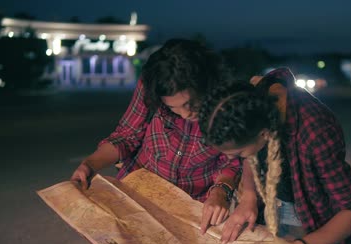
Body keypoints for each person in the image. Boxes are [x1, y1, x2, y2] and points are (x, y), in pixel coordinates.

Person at [198, 67, 351, 244]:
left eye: (237, 154)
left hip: (315, 219)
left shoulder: (315, 131)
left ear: (264, 134)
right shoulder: (254, 102)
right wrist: (249, 197)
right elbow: (250, 155)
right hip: (273, 204)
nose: (231, 160)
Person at [70, 39, 242, 230]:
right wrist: (90, 164)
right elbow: (127, 135)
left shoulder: (226, 101)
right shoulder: (153, 84)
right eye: (173, 108)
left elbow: (232, 161)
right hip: (138, 191)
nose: (185, 115)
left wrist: (220, 191)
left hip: (193, 203)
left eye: (191, 105)